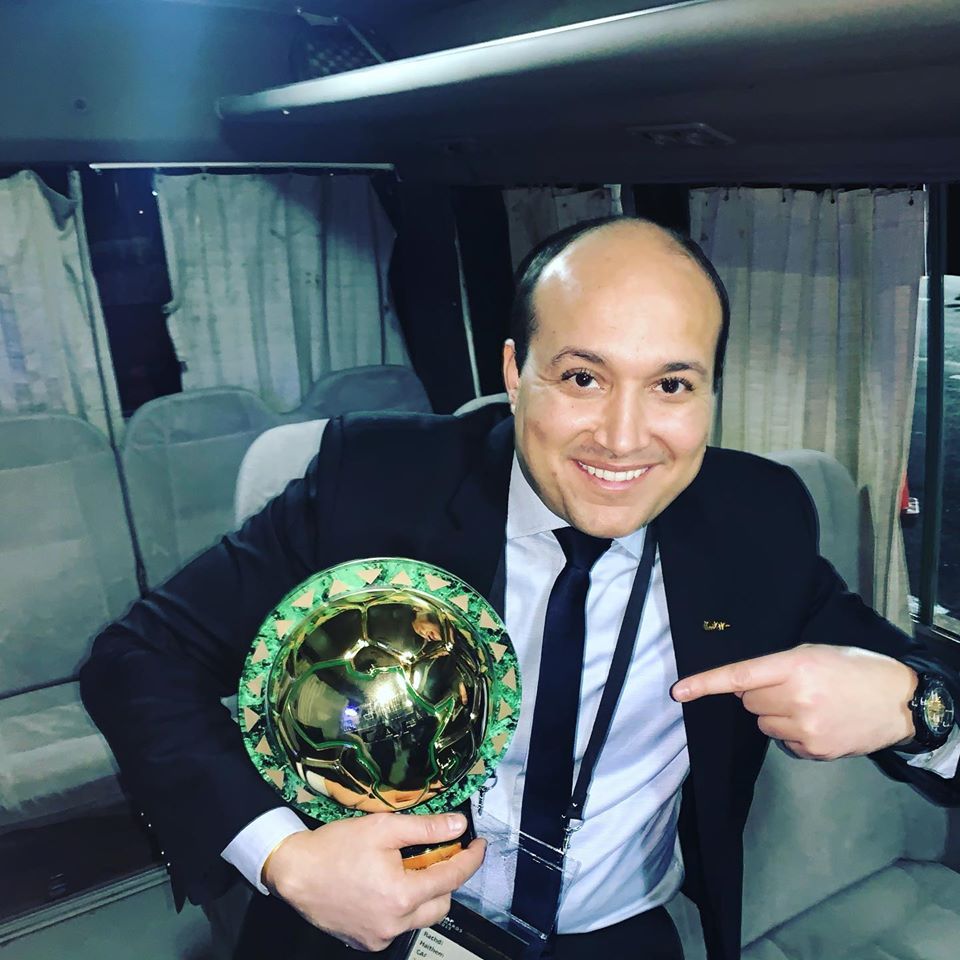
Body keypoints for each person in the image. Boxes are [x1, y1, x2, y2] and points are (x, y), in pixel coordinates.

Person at [80, 217, 960, 960]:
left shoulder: (756, 522)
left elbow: (928, 692)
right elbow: (138, 658)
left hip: (616, 933)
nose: (623, 437)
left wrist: (917, 709)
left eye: (671, 384)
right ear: (513, 370)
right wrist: (285, 860)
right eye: (582, 377)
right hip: (367, 921)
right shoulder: (377, 481)